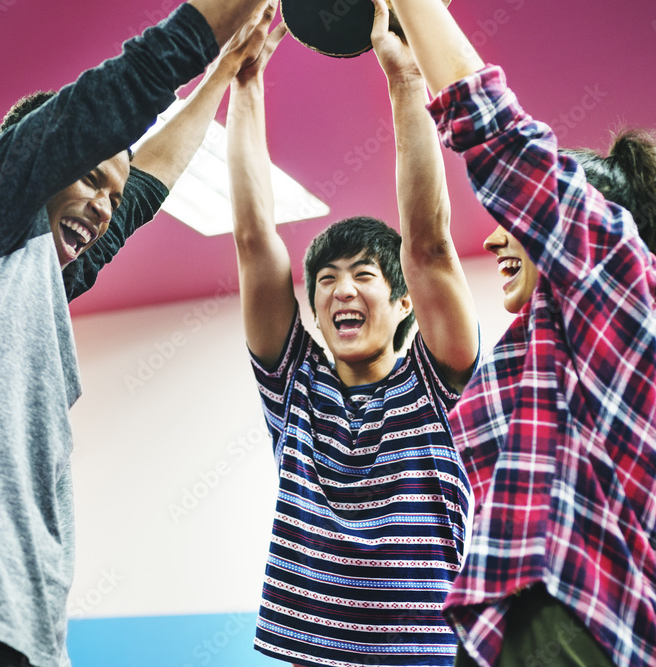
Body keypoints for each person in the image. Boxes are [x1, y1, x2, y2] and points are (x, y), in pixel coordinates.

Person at [0, 3, 277, 665]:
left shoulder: (30, 280)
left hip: (24, 638)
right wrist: (220, 30)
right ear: (36, 160)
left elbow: (142, 190)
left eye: (109, 191)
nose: (104, 203)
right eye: (90, 175)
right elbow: (133, 80)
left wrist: (226, 74)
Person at [388, 0, 656, 665]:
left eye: (513, 221)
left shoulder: (623, 277)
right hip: (534, 629)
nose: (493, 237)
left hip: (587, 630)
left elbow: (502, 142)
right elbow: (428, 254)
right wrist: (405, 73)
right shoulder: (542, 364)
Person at [227, 7, 479, 666]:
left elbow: (427, 245)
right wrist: (246, 85)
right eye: (327, 279)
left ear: (401, 302)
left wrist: (404, 83)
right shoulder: (295, 388)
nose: (341, 289)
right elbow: (256, 241)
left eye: (363, 275)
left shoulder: (436, 385)